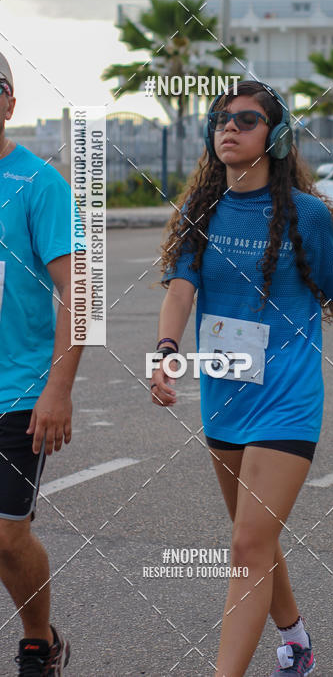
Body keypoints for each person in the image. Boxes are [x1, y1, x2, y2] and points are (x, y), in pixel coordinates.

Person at [153, 80, 333, 677]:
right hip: (224, 397)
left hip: (288, 401)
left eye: (245, 120)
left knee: (245, 546)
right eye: (220, 119)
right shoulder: (202, 211)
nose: (229, 129)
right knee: (254, 537)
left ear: (278, 137)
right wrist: (164, 351)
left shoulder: (307, 216)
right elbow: (182, 288)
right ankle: (294, 636)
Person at [0, 52, 84, 676]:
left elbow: (81, 292)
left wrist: (58, 388)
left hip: (18, 390)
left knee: (5, 536)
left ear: (8, 103)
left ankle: (39, 640)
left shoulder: (38, 185)